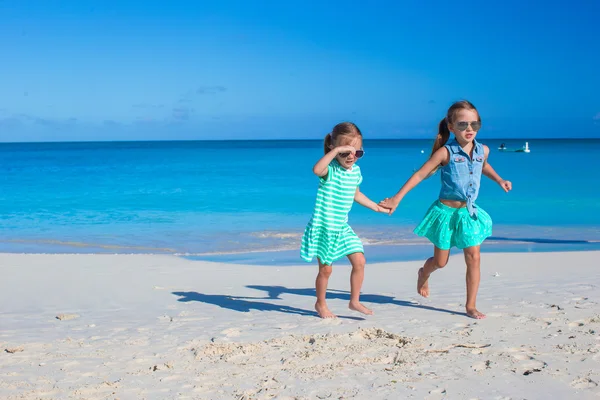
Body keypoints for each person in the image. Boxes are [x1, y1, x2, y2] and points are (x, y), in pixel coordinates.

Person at [379, 100, 512, 319]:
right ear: (451, 127)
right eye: (462, 125)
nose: (469, 129)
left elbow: (483, 165)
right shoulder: (445, 153)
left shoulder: (483, 150)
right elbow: (420, 174)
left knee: (474, 257)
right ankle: (424, 273)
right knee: (440, 262)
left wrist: (500, 180)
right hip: (445, 213)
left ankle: (470, 305)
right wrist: (396, 198)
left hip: (468, 213)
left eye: (474, 124)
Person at [301, 122, 390, 318]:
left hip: (342, 228)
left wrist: (376, 207)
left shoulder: (356, 172)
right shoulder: (329, 170)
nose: (351, 157)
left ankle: (354, 301)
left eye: (357, 153)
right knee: (326, 270)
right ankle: (320, 304)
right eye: (345, 152)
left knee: (360, 261)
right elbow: (317, 169)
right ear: (334, 149)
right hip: (324, 228)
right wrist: (336, 152)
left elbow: (355, 194)